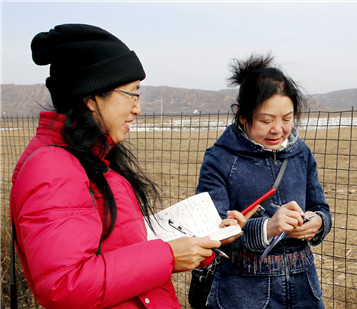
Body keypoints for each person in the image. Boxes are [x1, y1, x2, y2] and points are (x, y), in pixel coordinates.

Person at [10, 23, 246, 309]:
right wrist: (168, 256)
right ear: (92, 98)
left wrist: (204, 240)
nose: (138, 108)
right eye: (132, 94)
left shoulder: (94, 161)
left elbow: (121, 247)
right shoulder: (52, 168)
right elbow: (65, 284)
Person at [195, 53, 332, 308]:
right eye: (266, 120)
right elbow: (213, 231)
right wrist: (267, 227)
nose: (277, 129)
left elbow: (321, 208)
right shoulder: (219, 159)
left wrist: (317, 223)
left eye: (287, 119)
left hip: (304, 288)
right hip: (243, 292)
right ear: (243, 115)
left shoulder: (301, 153)